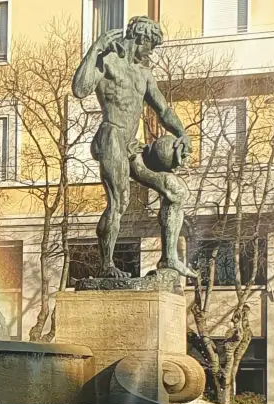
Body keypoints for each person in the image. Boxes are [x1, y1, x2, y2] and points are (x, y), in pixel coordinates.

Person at [71, 16, 197, 278]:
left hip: (131, 145)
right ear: (140, 38)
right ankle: (106, 266)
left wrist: (182, 132)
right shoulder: (107, 61)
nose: (151, 52)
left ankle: (169, 259)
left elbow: (163, 109)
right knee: (120, 201)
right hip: (111, 137)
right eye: (151, 45)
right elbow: (80, 89)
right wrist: (95, 49)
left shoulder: (144, 74)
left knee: (176, 191)